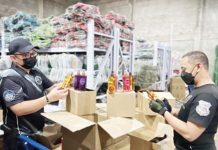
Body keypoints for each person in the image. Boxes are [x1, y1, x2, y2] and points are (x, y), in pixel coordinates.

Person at [0, 38, 68, 150]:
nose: (31, 57)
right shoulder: (10, 78)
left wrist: (67, 84)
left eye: (33, 53)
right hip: (19, 136)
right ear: (13, 58)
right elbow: (18, 109)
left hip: (36, 131)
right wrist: (48, 98)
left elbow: (52, 88)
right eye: (26, 55)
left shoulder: (35, 72)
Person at [149, 51, 218, 150]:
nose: (182, 74)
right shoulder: (198, 90)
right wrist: (170, 110)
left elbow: (190, 133)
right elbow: (189, 115)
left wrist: (163, 112)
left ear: (198, 67)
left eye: (184, 69)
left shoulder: (206, 95)